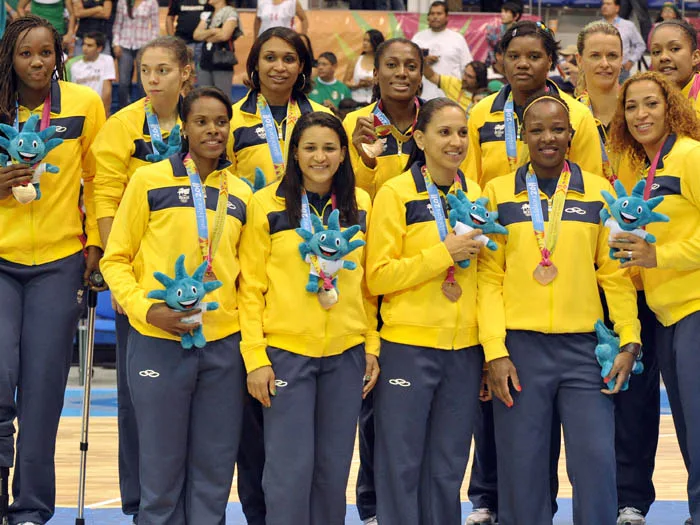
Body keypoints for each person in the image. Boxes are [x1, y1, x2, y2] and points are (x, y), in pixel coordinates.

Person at [479, 89, 641, 525]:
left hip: (585, 352)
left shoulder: (600, 192)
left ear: (571, 134)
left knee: (595, 467)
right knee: (522, 473)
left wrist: (629, 338)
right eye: (537, 130)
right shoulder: (497, 193)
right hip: (520, 350)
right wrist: (495, 350)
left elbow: (615, 274)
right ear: (523, 135)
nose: (547, 138)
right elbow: (489, 279)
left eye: (557, 129)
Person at [100, 86, 250, 525]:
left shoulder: (240, 193)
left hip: (222, 343)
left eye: (221, 122)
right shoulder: (148, 180)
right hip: (157, 339)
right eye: (201, 121)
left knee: (214, 468)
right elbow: (116, 259)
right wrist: (146, 311)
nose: (212, 130)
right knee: (161, 471)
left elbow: (249, 274)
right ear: (183, 126)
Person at [239, 110, 379, 525]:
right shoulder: (265, 204)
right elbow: (250, 289)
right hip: (286, 354)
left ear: (342, 155)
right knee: (288, 471)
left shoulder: (362, 205)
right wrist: (256, 358)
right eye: (311, 147)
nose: (320, 157)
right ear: (295, 152)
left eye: (330, 148)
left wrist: (371, 345)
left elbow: (368, 287)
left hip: (346, 354)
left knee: (331, 471)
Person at [0, 14, 105, 525]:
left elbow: (98, 179)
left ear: (58, 56)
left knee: (43, 391)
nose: (37, 62)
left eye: (45, 52)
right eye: (26, 53)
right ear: (9, 58)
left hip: (59, 264)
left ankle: (32, 509)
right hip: (0, 261)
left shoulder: (84, 106)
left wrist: (97, 247)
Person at [227, 26, 331, 525]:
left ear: (302, 66)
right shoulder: (231, 118)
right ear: (254, 64)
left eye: (290, 59)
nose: (279, 67)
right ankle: (259, 516)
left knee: (308, 442)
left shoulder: (316, 119)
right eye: (269, 58)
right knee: (254, 429)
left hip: (305, 269)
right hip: (246, 256)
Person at [366, 97, 485, 525]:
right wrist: (442, 254)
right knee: (401, 465)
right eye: (444, 132)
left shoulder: (473, 192)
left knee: (449, 466)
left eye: (461, 133)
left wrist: (488, 347)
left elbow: (486, 277)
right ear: (419, 137)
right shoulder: (395, 193)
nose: (455, 142)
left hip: (464, 350)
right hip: (408, 347)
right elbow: (377, 277)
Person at [91, 35, 192, 524]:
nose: (153, 79)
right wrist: (121, 265)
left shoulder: (207, 121)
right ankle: (138, 501)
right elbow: (106, 195)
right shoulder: (122, 126)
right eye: (147, 71)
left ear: (185, 73)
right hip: (145, 284)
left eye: (163, 70)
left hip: (202, 280)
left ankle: (194, 501)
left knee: (201, 397)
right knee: (138, 401)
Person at [576, 21, 663, 525]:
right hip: (580, 277)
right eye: (597, 55)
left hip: (637, 279)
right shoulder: (564, 117)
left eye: (615, 55)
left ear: (625, 59)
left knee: (636, 393)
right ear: (579, 60)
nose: (607, 63)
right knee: (584, 392)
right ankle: (591, 493)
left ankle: (632, 497)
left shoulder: (641, 117)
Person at [609, 70, 700, 525]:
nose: (641, 114)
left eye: (651, 104)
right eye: (631, 106)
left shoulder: (690, 157)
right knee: (687, 427)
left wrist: (658, 255)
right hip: (666, 314)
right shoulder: (645, 171)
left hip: (695, 308)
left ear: (671, 108)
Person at [464, 20, 604, 189]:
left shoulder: (578, 116)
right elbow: (469, 184)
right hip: (493, 213)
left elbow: (590, 186)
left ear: (550, 61)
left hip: (560, 214)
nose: (522, 64)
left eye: (534, 57)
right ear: (503, 61)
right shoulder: (481, 113)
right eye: (514, 56)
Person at [343, 38, 424, 199]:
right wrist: (367, 162)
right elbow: (353, 196)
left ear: (421, 76)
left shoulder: (434, 120)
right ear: (376, 74)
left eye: (411, 67)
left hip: (425, 222)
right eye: (391, 65)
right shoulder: (354, 123)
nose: (402, 72)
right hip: (373, 221)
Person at [412, 1, 472, 100]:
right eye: (432, 14)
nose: (435, 17)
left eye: (439, 13)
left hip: (452, 97)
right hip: (424, 96)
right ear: (428, 17)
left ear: (447, 16)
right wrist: (424, 61)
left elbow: (467, 67)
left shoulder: (457, 38)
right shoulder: (418, 38)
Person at [111, 0, 160, 110]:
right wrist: (116, 43)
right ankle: (124, 110)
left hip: (144, 46)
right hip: (124, 45)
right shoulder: (123, 2)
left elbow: (155, 27)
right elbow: (117, 24)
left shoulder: (151, 2)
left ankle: (144, 111)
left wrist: (151, 46)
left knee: (143, 82)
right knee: (123, 82)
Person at [649, 20, 700, 115]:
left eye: (675, 49)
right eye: (656, 52)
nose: (663, 57)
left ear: (695, 57)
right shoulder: (647, 97)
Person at [193, 0, 239, 96]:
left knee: (222, 96)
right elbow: (196, 35)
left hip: (222, 61)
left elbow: (224, 35)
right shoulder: (208, 14)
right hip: (205, 60)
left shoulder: (231, 13)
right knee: (203, 96)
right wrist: (213, 30)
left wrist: (206, 36)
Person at [66, 31, 116, 116]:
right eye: (84, 44)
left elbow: (107, 91)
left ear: (99, 48)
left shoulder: (107, 60)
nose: (85, 48)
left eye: (90, 45)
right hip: (78, 111)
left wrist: (105, 112)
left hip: (97, 109)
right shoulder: (73, 65)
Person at [601, 0, 646, 83]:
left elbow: (640, 45)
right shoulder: (597, 26)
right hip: (601, 69)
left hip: (622, 70)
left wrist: (631, 61)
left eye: (608, 4)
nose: (604, 6)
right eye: (603, 4)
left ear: (617, 8)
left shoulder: (628, 25)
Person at [166, 0, 213, 74]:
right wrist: (172, 40)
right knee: (182, 72)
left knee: (202, 74)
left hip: (203, 42)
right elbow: (170, 17)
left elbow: (216, 13)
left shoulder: (211, 1)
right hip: (182, 42)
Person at [423, 59, 488, 111]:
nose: (464, 78)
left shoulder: (481, 99)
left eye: (469, 76)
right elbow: (431, 76)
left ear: (479, 81)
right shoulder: (454, 83)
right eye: (464, 73)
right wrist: (423, 61)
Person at [344, 29, 384, 106]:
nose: (365, 43)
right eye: (364, 40)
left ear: (376, 42)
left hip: (376, 102)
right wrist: (358, 85)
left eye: (368, 41)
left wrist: (374, 82)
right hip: (355, 101)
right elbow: (345, 83)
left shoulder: (382, 62)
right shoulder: (355, 60)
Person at [484, 1, 522, 67]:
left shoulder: (521, 32)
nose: (502, 14)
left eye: (506, 12)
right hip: (495, 65)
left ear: (516, 15)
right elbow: (491, 51)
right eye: (502, 11)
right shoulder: (494, 31)